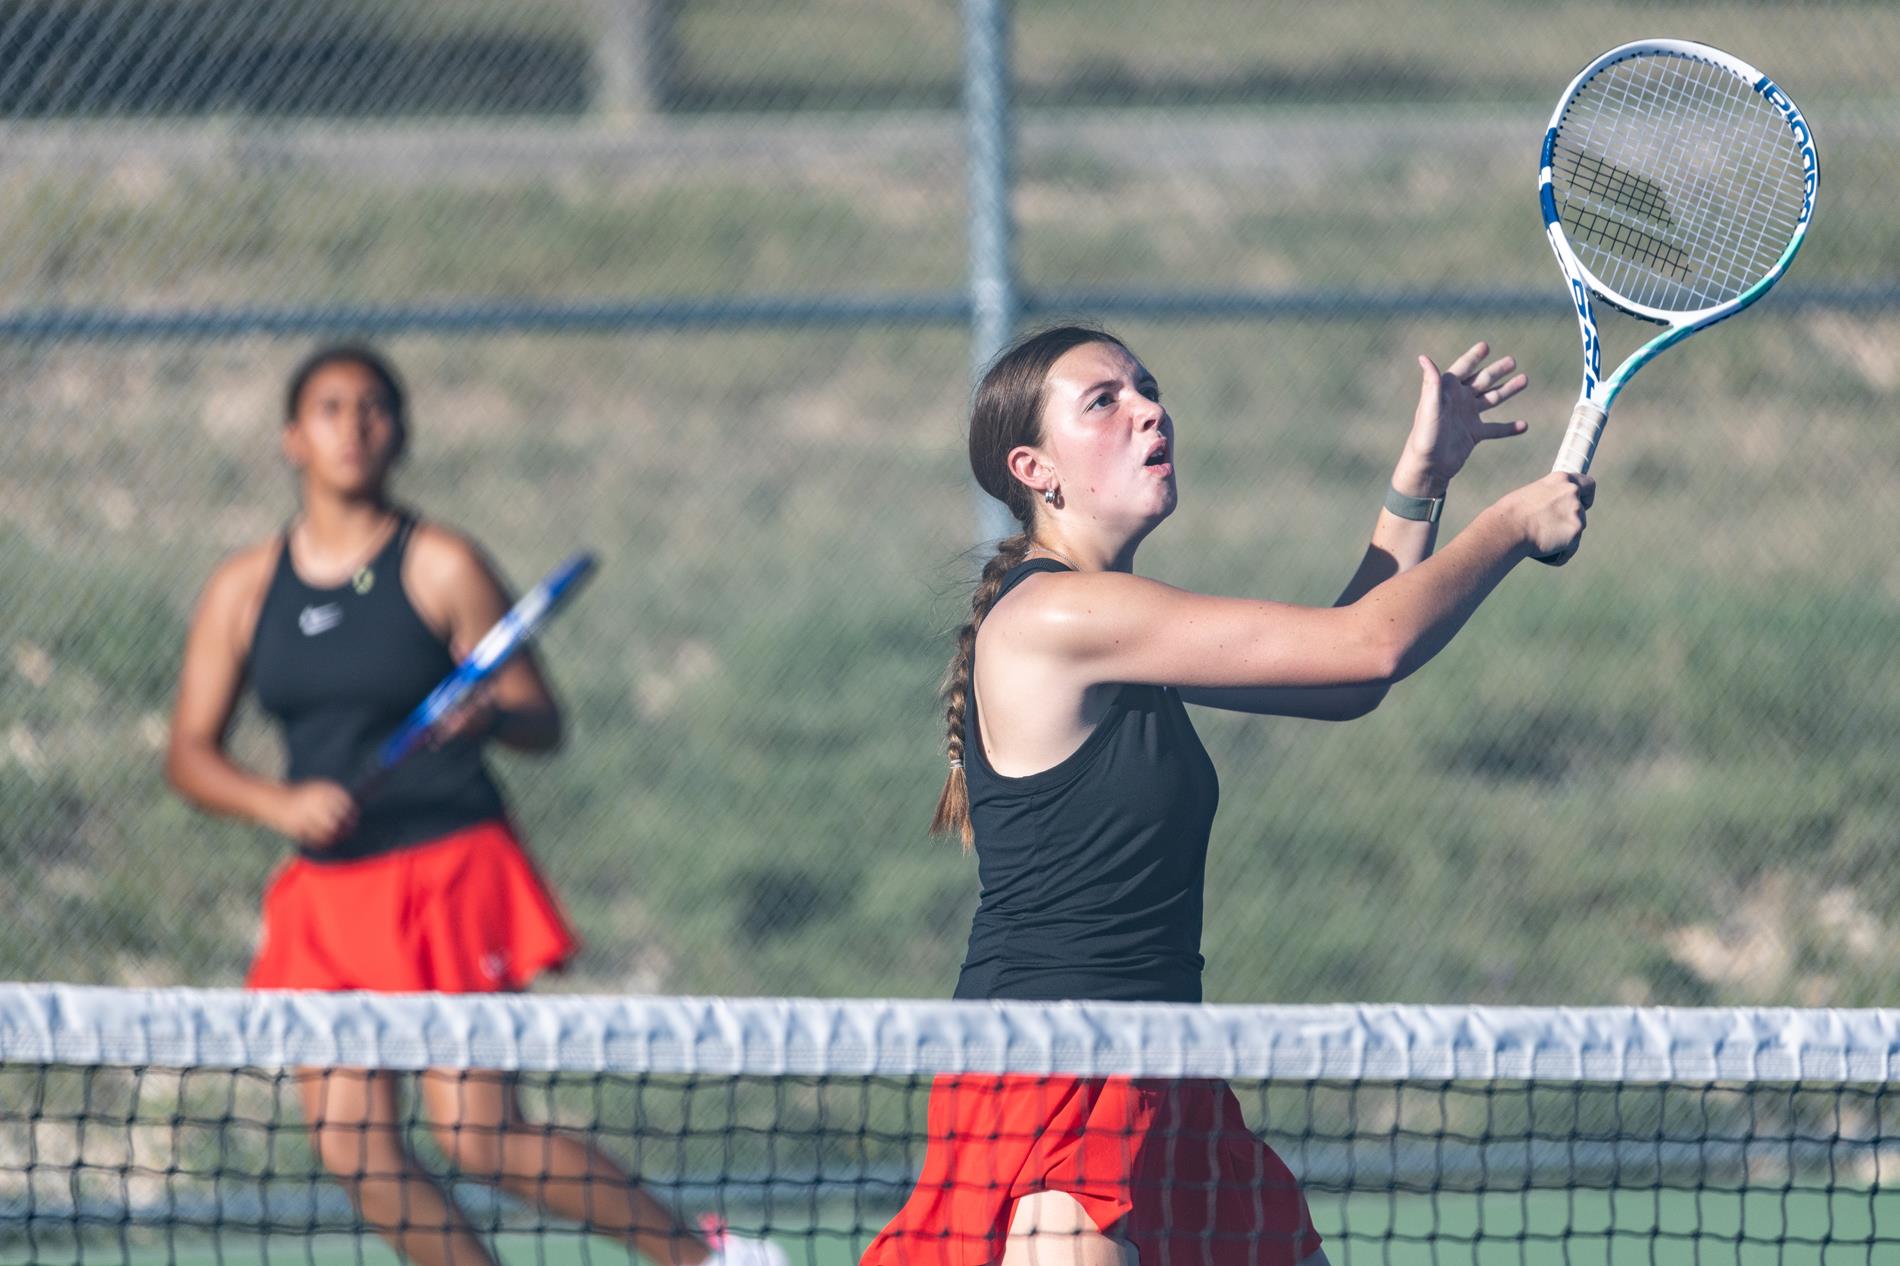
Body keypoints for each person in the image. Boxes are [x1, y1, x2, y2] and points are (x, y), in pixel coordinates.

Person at [863, 325, 1593, 1266]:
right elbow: (1370, 645)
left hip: (1171, 1080)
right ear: (1034, 468)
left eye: (1148, 388)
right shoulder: (1054, 617)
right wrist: (1511, 525)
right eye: (1105, 402)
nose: (1149, 410)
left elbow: (1346, 677)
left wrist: (1423, 479)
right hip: (1054, 1085)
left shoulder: (1118, 625)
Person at [166, 345, 783, 1266]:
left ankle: (707, 1258)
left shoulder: (441, 564)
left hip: (450, 872)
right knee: (356, 1149)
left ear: (400, 433)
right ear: (293, 437)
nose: (355, 424)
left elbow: (543, 719)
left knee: (481, 1135)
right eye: (331, 408)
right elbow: (189, 754)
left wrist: (488, 710)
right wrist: (278, 803)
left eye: (375, 407)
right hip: (328, 893)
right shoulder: (244, 589)